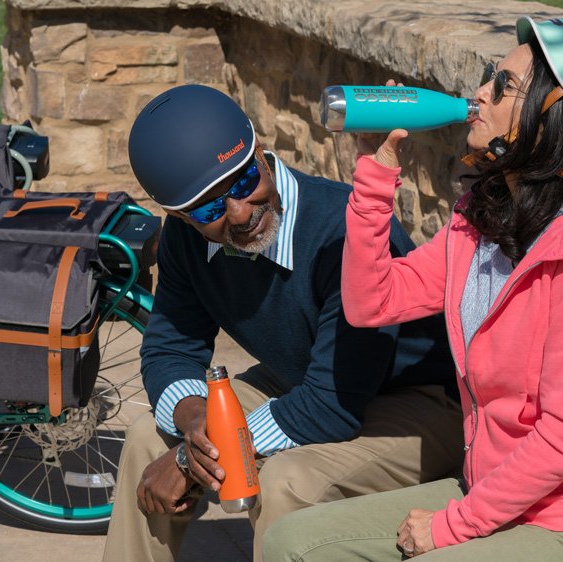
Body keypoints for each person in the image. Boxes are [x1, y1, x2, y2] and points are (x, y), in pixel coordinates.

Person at [263, 16, 563, 561]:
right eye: (489, 75)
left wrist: (454, 525)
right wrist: (376, 181)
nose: (480, 93)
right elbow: (370, 302)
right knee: (292, 541)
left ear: (558, 121)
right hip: (489, 493)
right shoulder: (483, 228)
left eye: (503, 85)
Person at [102, 84, 464, 562]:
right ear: (180, 217)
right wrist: (195, 423)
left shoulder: (342, 230)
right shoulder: (184, 241)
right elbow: (170, 350)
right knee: (150, 438)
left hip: (417, 402)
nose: (240, 211)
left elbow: (331, 407)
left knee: (285, 482)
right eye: (209, 209)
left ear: (259, 151)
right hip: (303, 377)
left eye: (243, 179)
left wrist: (194, 458)